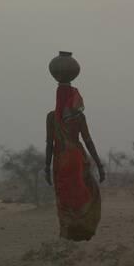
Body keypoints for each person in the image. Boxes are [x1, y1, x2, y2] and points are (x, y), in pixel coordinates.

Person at [45, 83, 105, 241]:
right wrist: (99, 164)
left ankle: (68, 233)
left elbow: (49, 144)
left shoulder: (51, 117)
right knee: (88, 193)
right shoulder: (78, 117)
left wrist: (46, 167)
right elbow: (88, 141)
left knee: (64, 199)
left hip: (61, 161)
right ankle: (84, 231)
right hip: (78, 159)